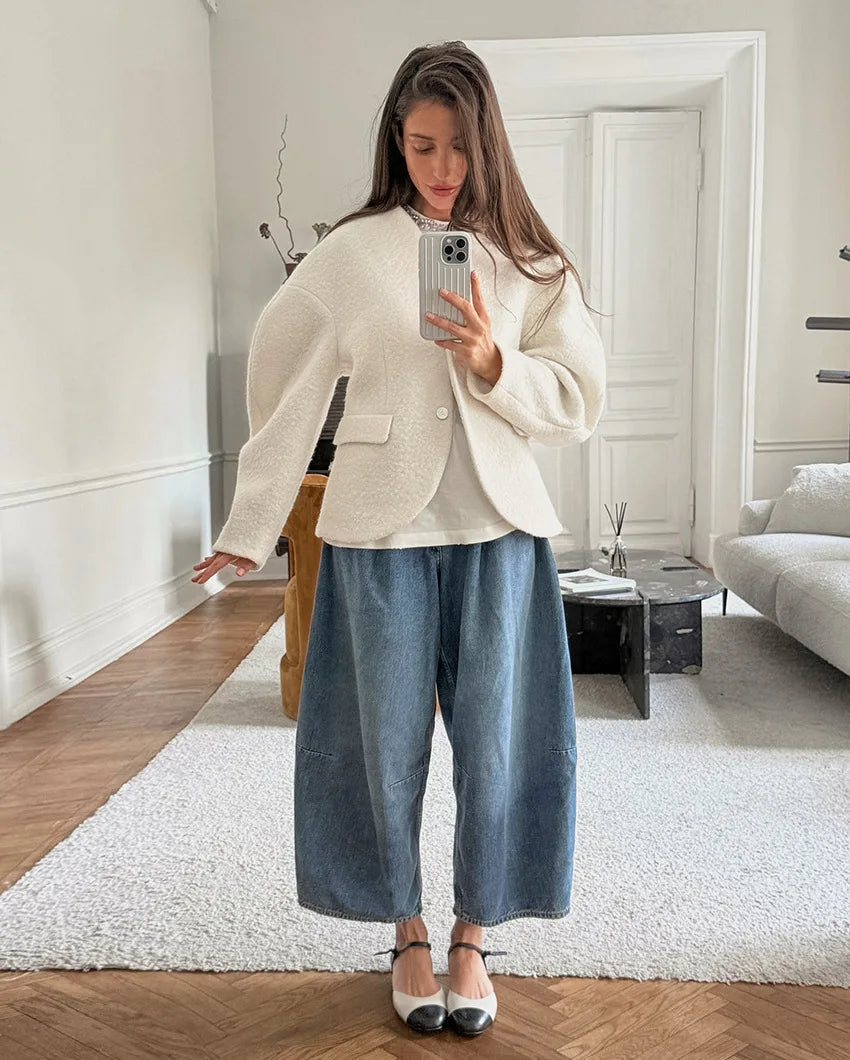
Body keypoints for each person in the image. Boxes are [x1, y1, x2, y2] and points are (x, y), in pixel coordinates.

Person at [192, 40, 606, 1038]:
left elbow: (580, 398)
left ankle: (471, 939)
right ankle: (407, 933)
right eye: (421, 144)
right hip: (378, 527)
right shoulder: (349, 251)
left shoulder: (530, 258)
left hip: (499, 529)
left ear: (485, 142)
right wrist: (252, 525)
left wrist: (492, 356)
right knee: (373, 749)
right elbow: (286, 384)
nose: (441, 167)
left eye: (459, 146)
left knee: (502, 750)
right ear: (396, 139)